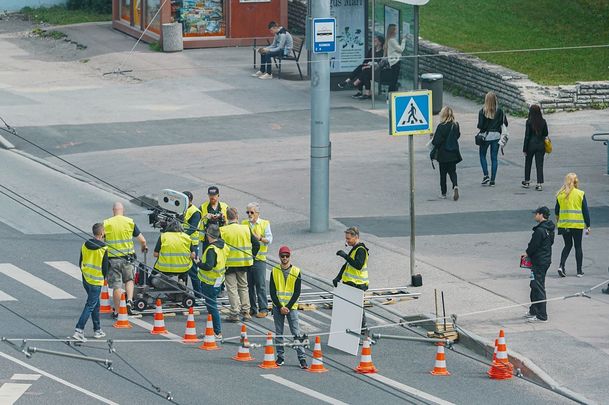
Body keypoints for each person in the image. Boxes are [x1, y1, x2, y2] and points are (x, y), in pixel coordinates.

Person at [104, 202, 147, 317]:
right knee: (129, 280)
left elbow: (100, 239)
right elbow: (142, 240)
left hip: (113, 260)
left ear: (113, 210)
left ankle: (118, 311)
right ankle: (129, 301)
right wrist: (143, 247)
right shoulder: (129, 222)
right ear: (123, 211)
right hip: (128, 258)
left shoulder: (107, 223)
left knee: (117, 286)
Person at [270, 246, 307, 369]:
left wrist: (288, 307)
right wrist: (280, 306)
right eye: (282, 256)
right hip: (278, 307)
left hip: (291, 307)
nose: (285, 258)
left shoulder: (296, 271)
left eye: (287, 256)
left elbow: (297, 292)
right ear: (279, 257)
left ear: (290, 256)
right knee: (279, 333)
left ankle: (302, 358)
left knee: (296, 333)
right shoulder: (274, 271)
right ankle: (280, 357)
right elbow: (272, 291)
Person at [221, 208, 260, 322]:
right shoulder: (245, 228)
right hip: (244, 263)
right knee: (243, 287)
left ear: (227, 218)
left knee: (232, 288)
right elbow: (256, 244)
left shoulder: (223, 230)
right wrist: (251, 256)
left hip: (229, 264)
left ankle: (234, 312)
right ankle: (246, 312)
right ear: (237, 216)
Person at [73, 223, 109, 342]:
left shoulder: (84, 245)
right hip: (96, 281)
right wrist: (104, 278)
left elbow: (80, 262)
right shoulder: (104, 248)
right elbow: (105, 268)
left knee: (95, 304)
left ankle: (97, 329)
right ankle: (79, 329)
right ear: (102, 233)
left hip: (86, 278)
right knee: (90, 305)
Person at [194, 224, 227, 339]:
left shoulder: (212, 249)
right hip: (218, 281)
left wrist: (197, 262)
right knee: (211, 306)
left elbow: (208, 266)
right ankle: (212, 331)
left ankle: (217, 332)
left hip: (210, 283)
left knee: (212, 307)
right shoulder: (223, 246)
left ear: (209, 234)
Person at [522, 207, 555, 323]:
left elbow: (533, 246)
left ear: (541, 215)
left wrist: (527, 253)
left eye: (536, 214)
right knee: (534, 285)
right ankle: (534, 310)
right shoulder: (549, 229)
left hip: (539, 262)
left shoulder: (540, 230)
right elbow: (551, 242)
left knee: (538, 286)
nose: (534, 216)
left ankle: (542, 314)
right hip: (544, 261)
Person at [333, 226, 369, 328]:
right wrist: (338, 278)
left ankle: (362, 327)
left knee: (356, 307)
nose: (347, 241)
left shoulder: (361, 250)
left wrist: (345, 256)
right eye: (346, 238)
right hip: (352, 283)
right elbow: (346, 265)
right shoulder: (355, 249)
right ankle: (356, 326)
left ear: (356, 237)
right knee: (351, 306)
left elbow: (358, 265)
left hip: (358, 284)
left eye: (348, 238)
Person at [555, 173, 591, 278]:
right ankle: (579, 271)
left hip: (564, 224)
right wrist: (588, 225)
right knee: (578, 246)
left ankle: (561, 266)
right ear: (576, 182)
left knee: (567, 245)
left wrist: (558, 222)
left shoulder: (560, 195)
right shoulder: (580, 194)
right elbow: (585, 211)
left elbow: (557, 211)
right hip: (576, 224)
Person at [242, 202, 272, 318]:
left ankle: (263, 308)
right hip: (248, 258)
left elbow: (269, 239)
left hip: (259, 259)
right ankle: (252, 309)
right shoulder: (244, 223)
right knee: (249, 285)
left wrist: (259, 238)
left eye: (252, 212)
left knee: (260, 285)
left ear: (257, 213)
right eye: (248, 212)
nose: (249, 214)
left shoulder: (264, 224)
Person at [338, 34, 385, 99]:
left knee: (364, 71)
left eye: (375, 41)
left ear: (380, 43)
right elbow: (367, 59)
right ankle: (349, 82)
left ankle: (356, 86)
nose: (373, 42)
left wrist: (367, 66)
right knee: (362, 69)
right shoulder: (372, 50)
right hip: (369, 68)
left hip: (376, 71)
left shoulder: (382, 52)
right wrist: (364, 65)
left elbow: (379, 63)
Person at [477, 91, 508, 187]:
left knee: (482, 155)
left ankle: (486, 175)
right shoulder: (500, 111)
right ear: (495, 100)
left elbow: (480, 126)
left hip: (486, 136)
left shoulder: (482, 111)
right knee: (494, 158)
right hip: (497, 136)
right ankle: (493, 180)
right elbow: (505, 123)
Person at [432, 106, 462, 200]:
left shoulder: (441, 126)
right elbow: (457, 136)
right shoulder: (455, 125)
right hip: (453, 153)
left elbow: (436, 141)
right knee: (453, 172)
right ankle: (455, 185)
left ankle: (443, 193)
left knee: (443, 174)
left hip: (443, 154)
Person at [152, 220, 196, 284]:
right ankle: (182, 279)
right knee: (187, 265)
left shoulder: (163, 236)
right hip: (182, 268)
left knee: (157, 266)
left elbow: (155, 254)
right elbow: (193, 255)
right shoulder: (186, 237)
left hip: (165, 268)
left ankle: (153, 280)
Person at [522, 105, 549, 191]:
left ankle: (527, 181)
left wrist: (524, 148)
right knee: (539, 164)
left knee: (528, 163)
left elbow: (527, 136)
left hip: (530, 145)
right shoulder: (543, 121)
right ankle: (539, 183)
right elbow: (546, 133)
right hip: (541, 145)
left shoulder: (529, 122)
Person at [182, 191, 203, 299]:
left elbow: (192, 228)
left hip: (192, 245)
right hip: (181, 244)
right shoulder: (180, 208)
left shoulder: (195, 212)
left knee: (193, 271)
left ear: (190, 200)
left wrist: (180, 237)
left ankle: (198, 295)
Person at [381, 24, 405, 92]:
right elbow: (401, 49)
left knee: (393, 79)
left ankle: (391, 94)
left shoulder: (389, 40)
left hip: (393, 61)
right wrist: (403, 40)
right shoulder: (392, 40)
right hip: (395, 61)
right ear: (393, 31)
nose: (397, 31)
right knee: (394, 80)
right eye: (396, 29)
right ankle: (390, 95)